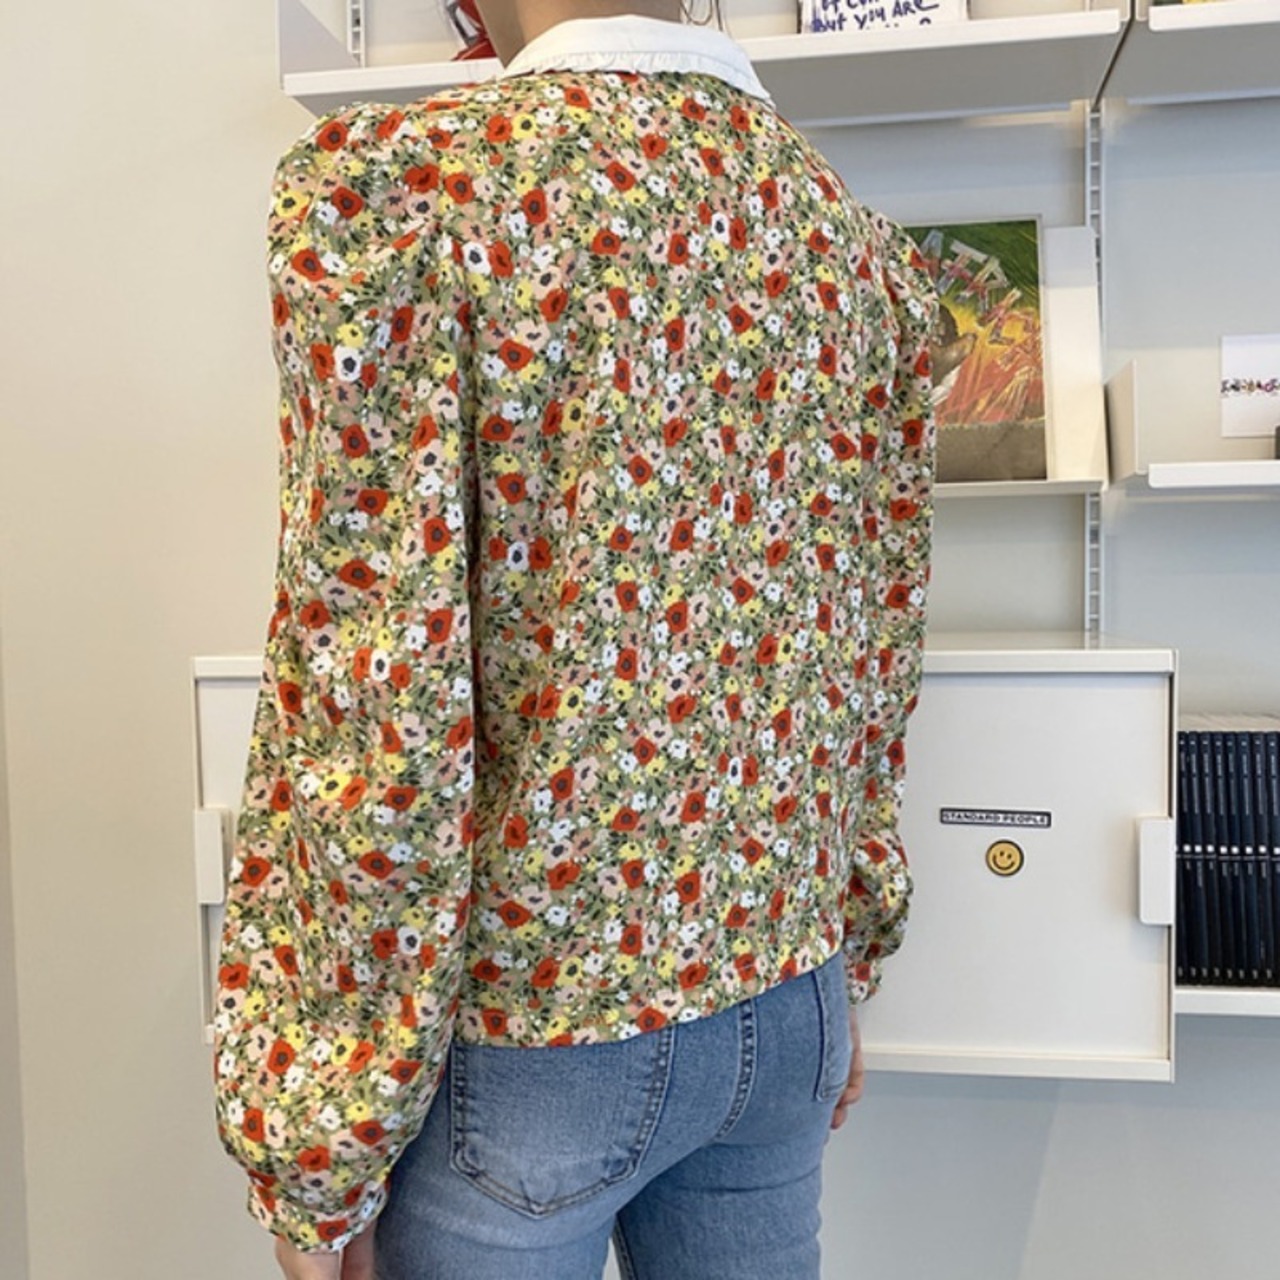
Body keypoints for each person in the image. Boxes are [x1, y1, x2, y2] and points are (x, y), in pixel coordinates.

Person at [212, 1, 939, 1277]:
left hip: (542, 1033)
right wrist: (844, 932)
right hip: (787, 993)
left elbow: (376, 698)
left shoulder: (427, 192)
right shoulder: (844, 240)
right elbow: (872, 649)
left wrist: (322, 1137)